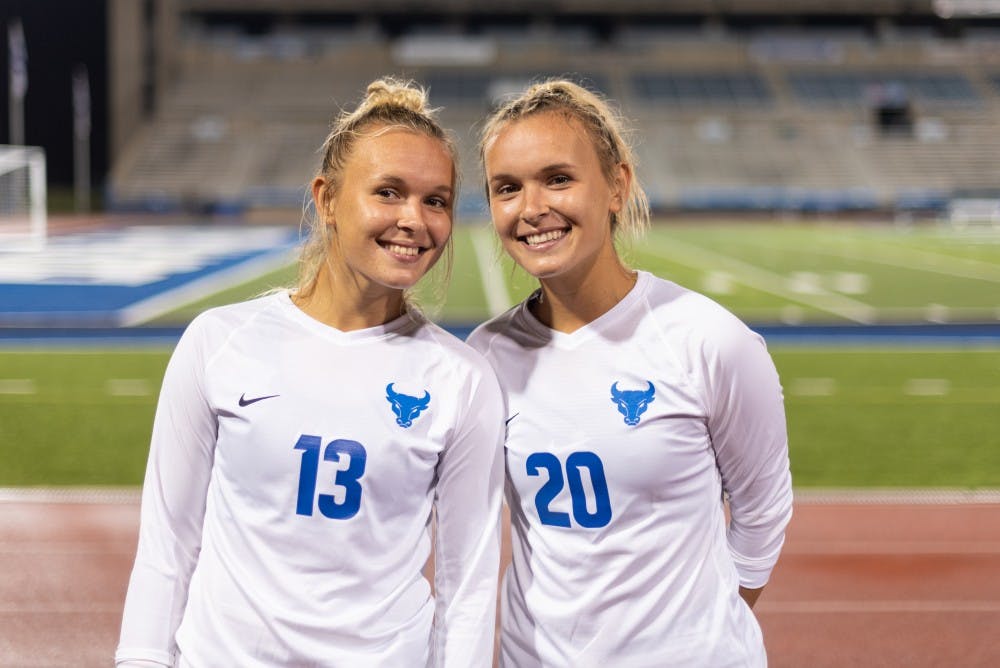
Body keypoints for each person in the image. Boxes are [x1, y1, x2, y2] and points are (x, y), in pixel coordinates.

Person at [115, 78, 505, 668]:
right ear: (327, 199)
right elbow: (168, 546)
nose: (414, 220)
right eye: (389, 192)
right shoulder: (219, 343)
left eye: (436, 201)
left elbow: (467, 590)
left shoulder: (462, 380)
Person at [467, 80, 793, 667]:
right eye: (507, 188)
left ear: (617, 185)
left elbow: (762, 510)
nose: (532, 207)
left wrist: (704, 632)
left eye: (558, 178)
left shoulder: (708, 339)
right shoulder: (486, 356)